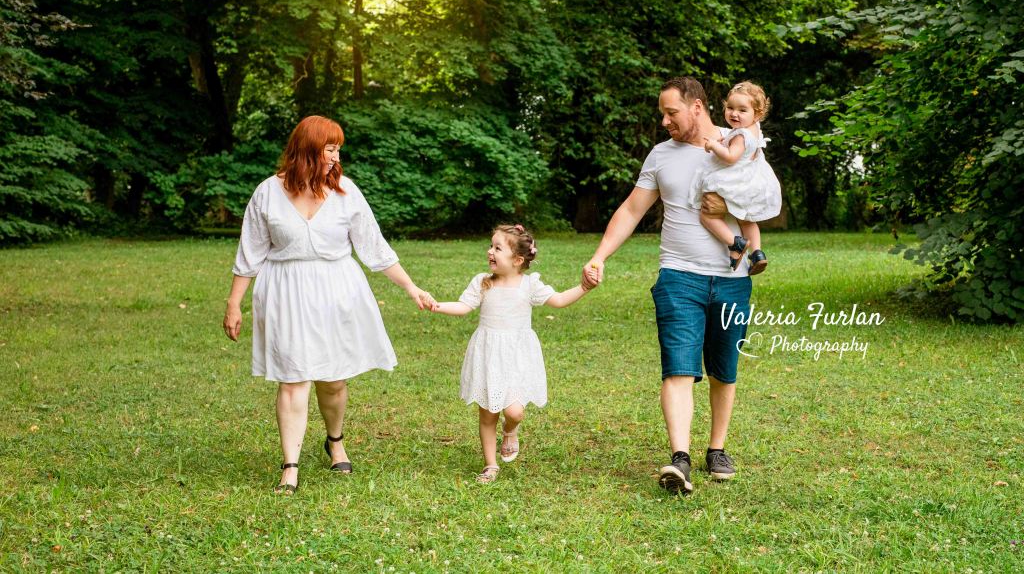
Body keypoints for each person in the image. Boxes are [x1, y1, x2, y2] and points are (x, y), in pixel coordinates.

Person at [222, 115, 435, 495]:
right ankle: (290, 465)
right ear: (307, 150)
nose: (337, 157)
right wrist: (234, 304)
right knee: (293, 379)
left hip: (336, 292)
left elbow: (375, 248)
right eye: (330, 148)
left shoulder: (346, 192)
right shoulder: (267, 193)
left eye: (338, 149)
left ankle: (334, 439)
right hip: (285, 291)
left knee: (332, 381)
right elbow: (250, 253)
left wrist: (411, 287)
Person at [582, 77, 754, 495]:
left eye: (671, 112)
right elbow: (631, 209)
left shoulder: (740, 145)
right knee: (678, 366)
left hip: (733, 279)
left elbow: (763, 198)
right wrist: (600, 255)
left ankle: (717, 449)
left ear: (696, 107)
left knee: (724, 369)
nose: (664, 120)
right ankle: (680, 459)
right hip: (678, 276)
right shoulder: (661, 156)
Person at [430, 224, 592, 484]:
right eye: (491, 245)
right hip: (488, 354)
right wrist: (436, 306)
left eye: (497, 248)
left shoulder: (529, 285)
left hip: (517, 356)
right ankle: (490, 465)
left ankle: (510, 430)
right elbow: (463, 306)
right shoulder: (483, 282)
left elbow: (559, 300)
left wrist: (584, 288)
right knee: (488, 413)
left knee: (514, 411)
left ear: (517, 260)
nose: (490, 251)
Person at [689, 81, 781, 274]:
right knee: (747, 220)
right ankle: (757, 253)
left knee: (707, 215)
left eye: (742, 110)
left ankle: (735, 243)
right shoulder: (754, 128)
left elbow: (731, 158)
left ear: (757, 114)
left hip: (735, 180)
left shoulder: (740, 134)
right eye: (730, 108)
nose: (734, 114)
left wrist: (715, 146)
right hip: (752, 180)